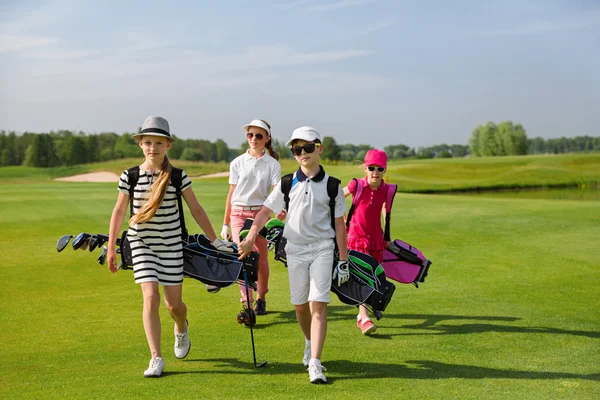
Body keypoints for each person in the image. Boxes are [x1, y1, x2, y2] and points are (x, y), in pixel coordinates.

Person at [107, 116, 233, 378]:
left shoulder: (177, 176)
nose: (153, 147)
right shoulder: (129, 176)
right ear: (140, 144)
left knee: (173, 306)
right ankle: (156, 358)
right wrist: (111, 248)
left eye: (159, 142)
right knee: (150, 297)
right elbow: (119, 212)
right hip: (142, 243)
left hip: (171, 246)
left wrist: (215, 241)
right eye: (148, 142)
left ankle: (181, 327)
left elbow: (195, 208)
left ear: (168, 145)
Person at [238, 126, 349, 384]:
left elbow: (340, 224)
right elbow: (265, 212)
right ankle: (309, 343)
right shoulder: (288, 182)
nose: (303, 153)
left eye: (308, 148)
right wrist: (252, 234)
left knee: (317, 304)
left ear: (319, 149)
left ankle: (316, 363)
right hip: (295, 250)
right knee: (300, 306)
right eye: (297, 149)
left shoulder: (333, 186)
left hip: (323, 248)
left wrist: (343, 260)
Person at [216, 119, 281, 318]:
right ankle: (247, 303)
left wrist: (279, 211)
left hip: (261, 215)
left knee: (261, 260)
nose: (253, 139)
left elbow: (276, 191)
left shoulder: (273, 164)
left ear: (267, 139)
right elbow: (231, 194)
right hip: (238, 213)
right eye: (250, 135)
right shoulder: (237, 162)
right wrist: (226, 223)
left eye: (259, 135)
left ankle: (261, 297)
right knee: (244, 256)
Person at [343, 149, 392, 335]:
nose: (375, 172)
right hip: (356, 240)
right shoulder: (357, 185)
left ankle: (362, 314)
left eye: (380, 169)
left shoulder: (386, 189)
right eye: (371, 168)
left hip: (376, 241)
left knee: (375, 278)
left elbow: (386, 213)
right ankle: (364, 318)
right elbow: (337, 198)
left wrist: (387, 238)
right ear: (365, 168)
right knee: (363, 277)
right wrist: (343, 219)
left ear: (384, 170)